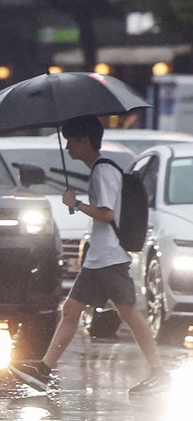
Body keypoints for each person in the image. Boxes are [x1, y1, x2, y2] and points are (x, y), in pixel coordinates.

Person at [10, 115, 169, 396]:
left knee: (128, 311)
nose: (68, 148)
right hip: (99, 257)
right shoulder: (99, 169)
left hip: (110, 256)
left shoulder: (102, 171)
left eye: (71, 142)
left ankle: (159, 372)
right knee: (71, 310)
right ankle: (44, 371)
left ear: (85, 141)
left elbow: (107, 214)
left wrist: (78, 203)